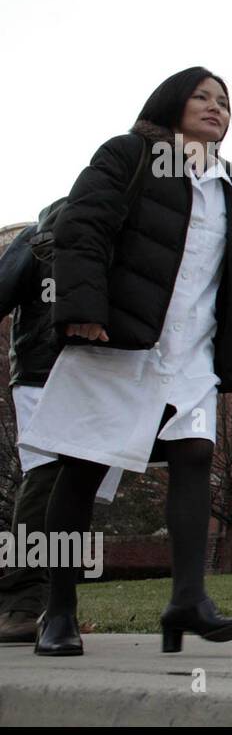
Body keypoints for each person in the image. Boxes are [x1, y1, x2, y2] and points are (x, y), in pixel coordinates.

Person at [19, 67, 232, 655]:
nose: (216, 108)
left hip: (190, 353)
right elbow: (82, 229)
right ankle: (58, 611)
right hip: (121, 337)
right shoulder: (128, 154)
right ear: (172, 103)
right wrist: (82, 308)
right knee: (82, 469)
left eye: (225, 102)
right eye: (202, 97)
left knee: (194, 457)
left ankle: (187, 601)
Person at [0, 202, 124, 644]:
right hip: (42, 372)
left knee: (81, 486)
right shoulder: (39, 238)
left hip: (102, 375)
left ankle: (56, 605)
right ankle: (20, 601)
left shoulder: (131, 235)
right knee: (45, 477)